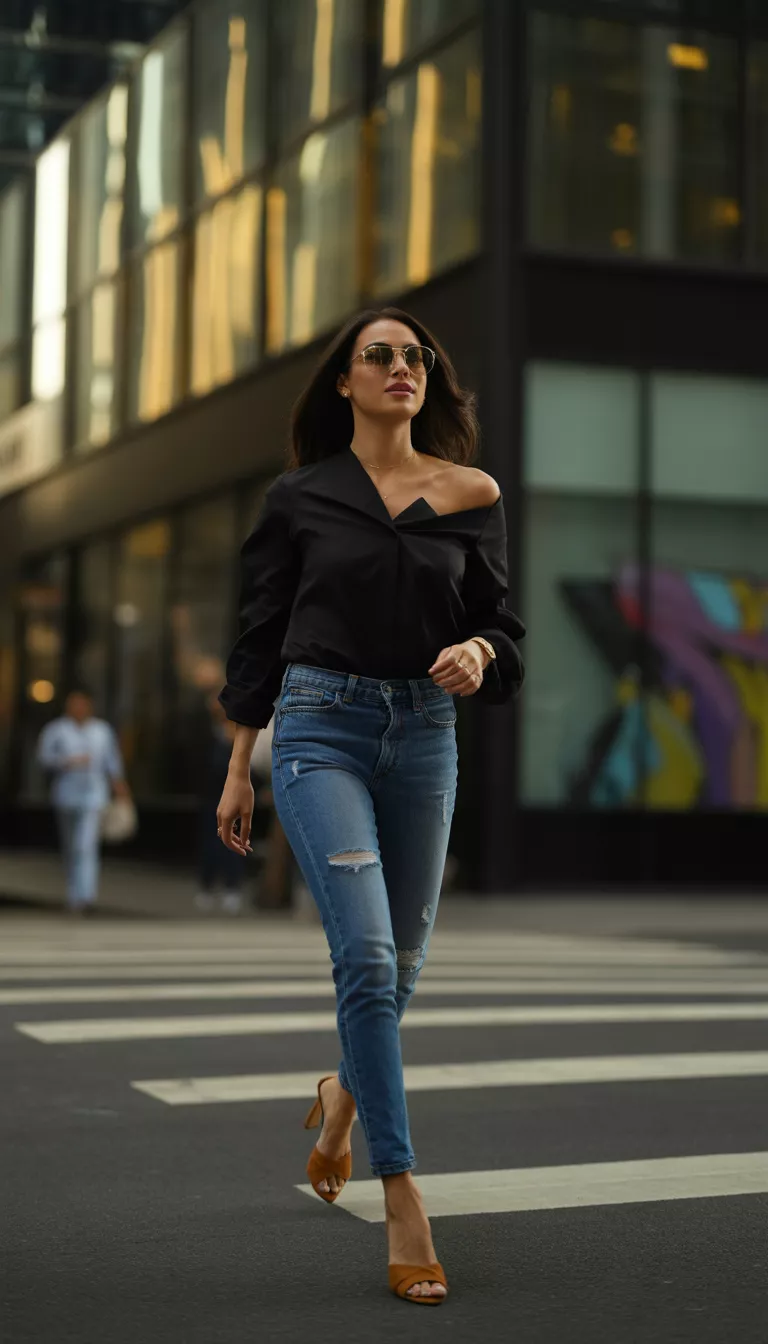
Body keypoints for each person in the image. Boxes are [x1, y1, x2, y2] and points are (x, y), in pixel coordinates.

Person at [216, 307, 525, 1305]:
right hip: (318, 732)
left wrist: (481, 653)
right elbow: (259, 637)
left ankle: (343, 1091)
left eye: (416, 356)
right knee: (368, 957)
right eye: (379, 356)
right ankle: (401, 1192)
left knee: (407, 960)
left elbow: (502, 628)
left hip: (425, 738)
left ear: (429, 379)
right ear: (345, 382)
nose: (401, 367)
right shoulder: (300, 498)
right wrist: (237, 763)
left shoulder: (471, 494)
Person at [36, 688, 130, 916]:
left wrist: (121, 789)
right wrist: (66, 762)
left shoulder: (101, 730)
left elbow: (112, 762)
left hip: (94, 795)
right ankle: (73, 894)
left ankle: (85, 896)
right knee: (70, 847)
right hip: (66, 795)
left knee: (85, 845)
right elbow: (43, 758)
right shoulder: (57, 730)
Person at [194, 694, 251, 914]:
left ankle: (232, 888)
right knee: (210, 844)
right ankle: (207, 886)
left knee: (234, 844)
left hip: (234, 800)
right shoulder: (206, 732)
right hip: (211, 799)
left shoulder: (239, 734)